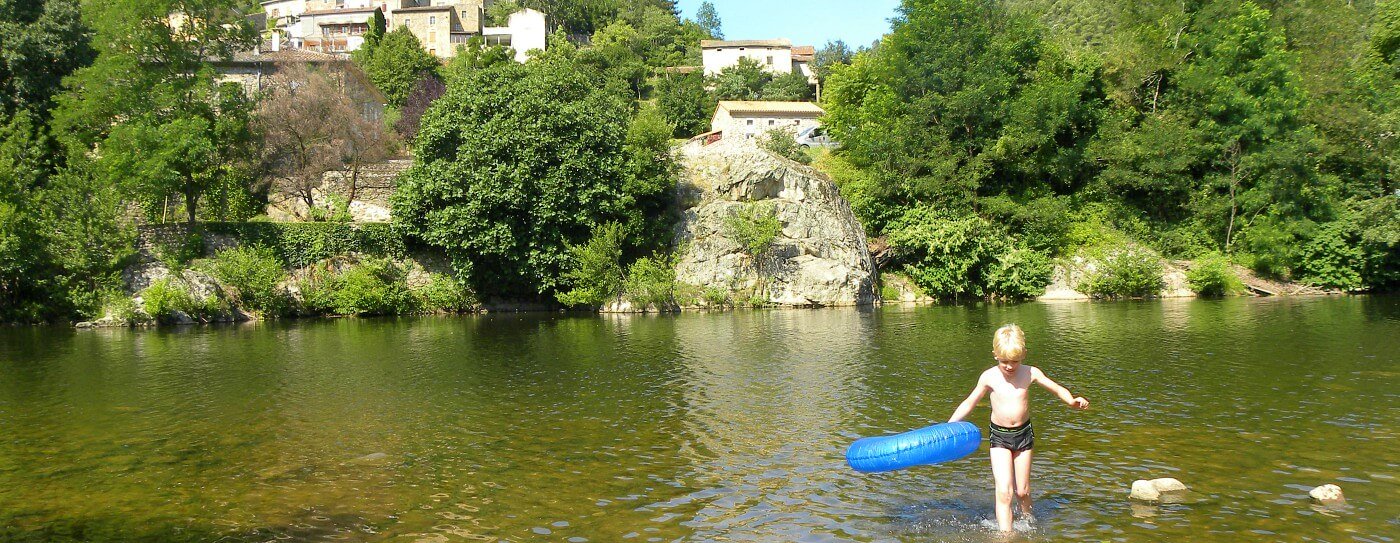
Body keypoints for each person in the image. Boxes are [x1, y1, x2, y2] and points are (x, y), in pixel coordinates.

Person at [948, 324, 1089, 532]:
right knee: (1004, 492)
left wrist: (1071, 401)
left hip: (1023, 436)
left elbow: (1056, 388)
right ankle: (1006, 535)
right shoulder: (989, 377)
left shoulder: (1030, 372)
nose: (1010, 366)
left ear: (1024, 355)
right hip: (999, 437)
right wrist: (951, 425)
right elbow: (970, 402)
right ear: (995, 355)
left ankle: (1028, 523)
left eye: (1015, 361)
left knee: (1022, 491)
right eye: (1004, 361)